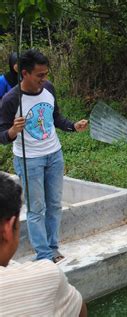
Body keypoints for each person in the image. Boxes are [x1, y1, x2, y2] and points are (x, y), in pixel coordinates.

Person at [0, 49, 88, 263]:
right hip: (29, 160)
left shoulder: (48, 89)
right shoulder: (11, 100)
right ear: (24, 73)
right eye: (40, 75)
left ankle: (53, 248)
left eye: (46, 74)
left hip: (54, 155)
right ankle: (44, 255)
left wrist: (73, 127)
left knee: (55, 204)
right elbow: (2, 135)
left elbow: (55, 117)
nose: (44, 79)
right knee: (36, 208)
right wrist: (13, 131)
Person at [0, 172, 87, 316]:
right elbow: (80, 311)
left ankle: (50, 251)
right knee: (37, 209)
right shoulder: (46, 275)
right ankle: (45, 253)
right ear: (9, 228)